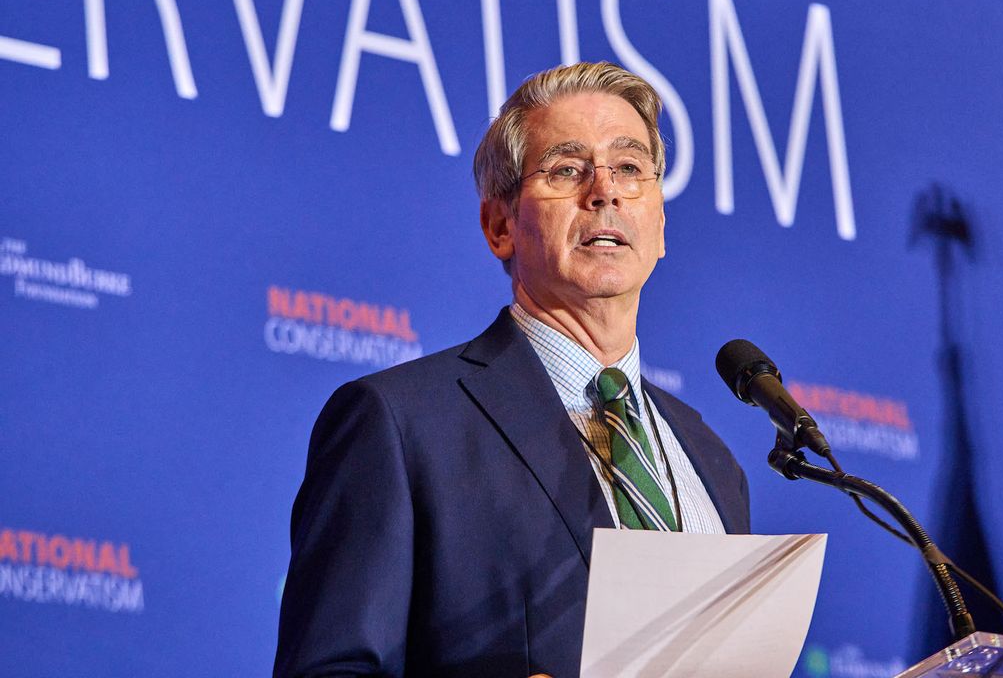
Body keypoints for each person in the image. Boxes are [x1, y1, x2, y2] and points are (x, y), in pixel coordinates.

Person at [274, 62, 750, 678]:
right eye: (567, 169)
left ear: (659, 224)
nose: (604, 190)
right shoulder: (402, 424)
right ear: (500, 226)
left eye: (631, 169)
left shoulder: (713, 463)